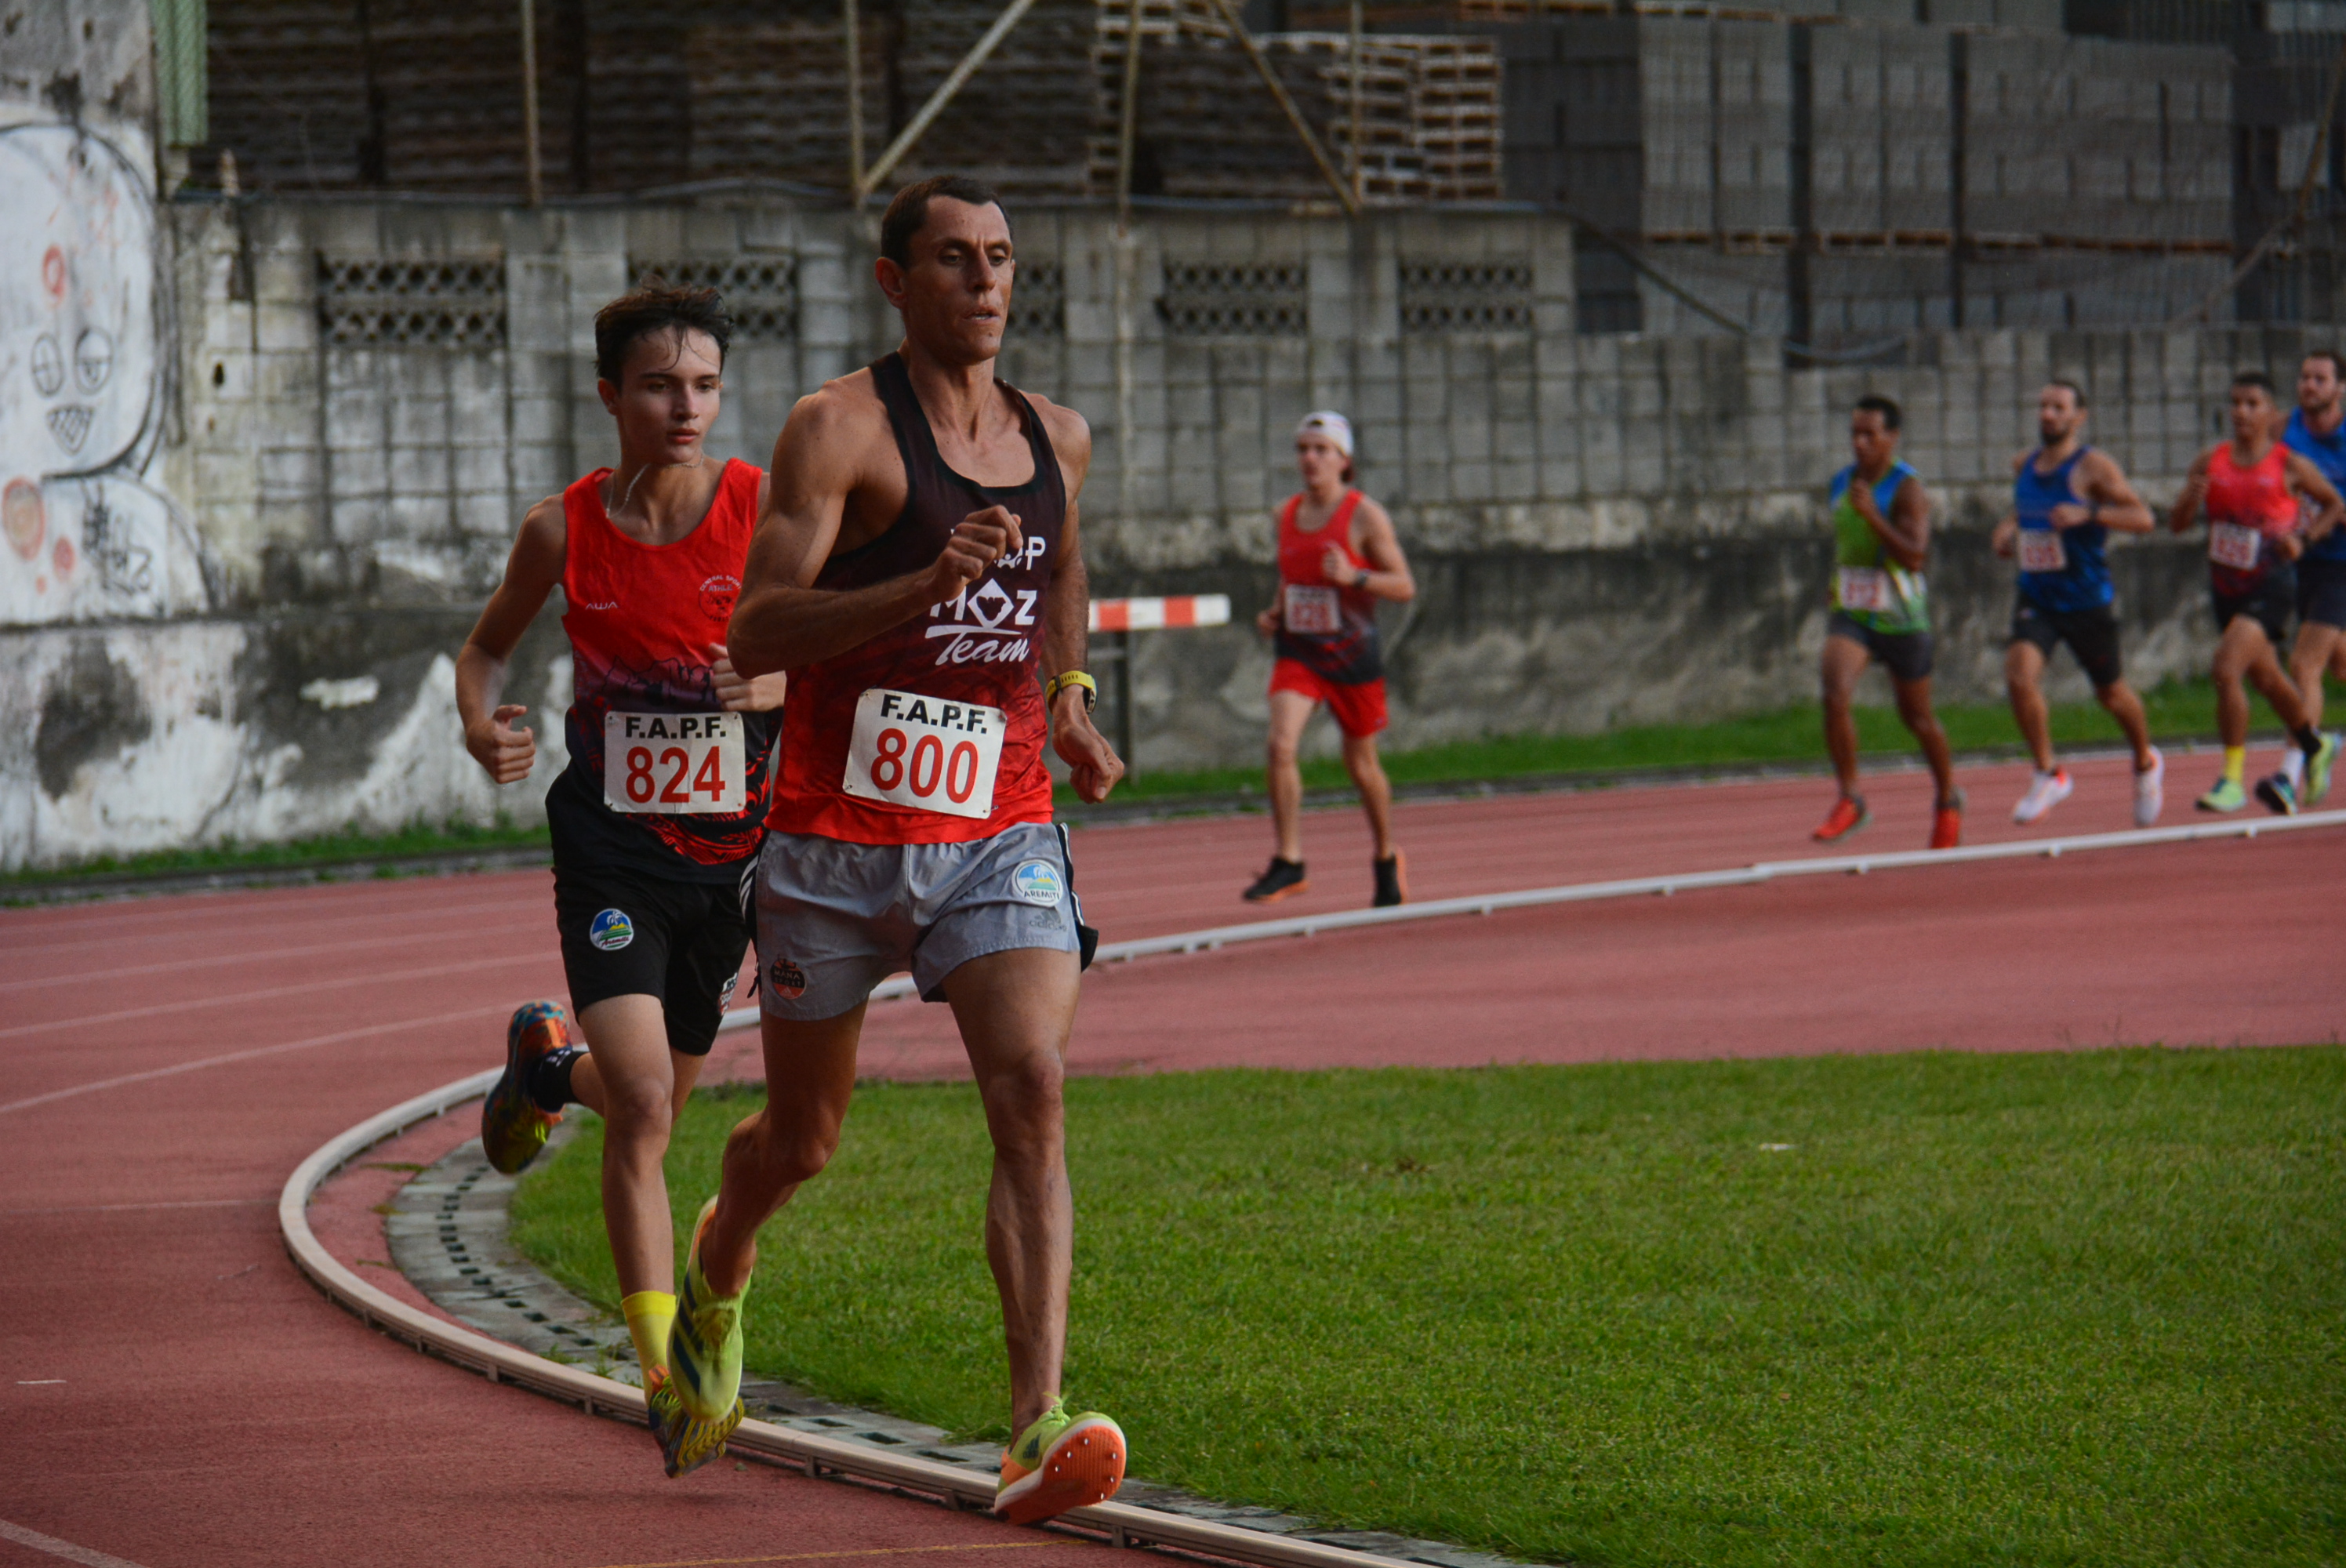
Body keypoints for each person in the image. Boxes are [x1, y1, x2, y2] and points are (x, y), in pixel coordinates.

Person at [667, 176, 1129, 1526]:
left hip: (996, 825)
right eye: (954, 259)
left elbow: (1060, 573)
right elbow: (757, 630)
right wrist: (922, 585)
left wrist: (1073, 700)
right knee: (802, 1142)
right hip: (831, 843)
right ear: (894, 280)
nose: (985, 282)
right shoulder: (839, 429)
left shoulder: (1058, 437)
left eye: (1000, 258)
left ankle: (1034, 1427)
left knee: (1031, 1083)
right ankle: (721, 1259)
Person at [454, 281, 786, 1479]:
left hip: (727, 861)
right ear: (610, 396)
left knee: (652, 1099)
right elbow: (486, 647)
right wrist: (479, 721)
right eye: (658, 386)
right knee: (644, 1109)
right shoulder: (563, 530)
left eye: (704, 386)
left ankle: (545, 1067)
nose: (684, 407)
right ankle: (662, 1379)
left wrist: (776, 684)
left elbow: (837, 647)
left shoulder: (762, 507)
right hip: (610, 847)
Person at [1243, 411, 1417, 907]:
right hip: (1299, 652)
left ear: (1344, 460)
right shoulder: (1285, 514)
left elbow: (1404, 586)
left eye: (1321, 450)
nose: (1310, 458)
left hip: (1352, 657)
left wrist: (1355, 577)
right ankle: (1290, 861)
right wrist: (1276, 613)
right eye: (1303, 449)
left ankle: (1386, 856)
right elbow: (1292, 577)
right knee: (1280, 745)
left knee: (1361, 765)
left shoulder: (1365, 515)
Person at [2167, 370, 2342, 813]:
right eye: (2235, 403)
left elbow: (2334, 504)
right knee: (2266, 679)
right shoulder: (2211, 460)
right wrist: (2190, 498)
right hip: (2227, 586)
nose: (2241, 412)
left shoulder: (2289, 464)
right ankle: (2315, 744)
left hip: (2272, 585)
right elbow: (2177, 525)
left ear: (2270, 413)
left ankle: (2231, 780)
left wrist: (2304, 539)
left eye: (2251, 404)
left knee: (2226, 669)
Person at [1992, 380, 2166, 826]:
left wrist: (2088, 514)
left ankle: (2145, 763)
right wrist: (2008, 530)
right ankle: (2048, 773)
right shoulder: (2024, 464)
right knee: (2019, 674)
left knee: (2111, 693)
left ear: (2079, 417)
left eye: (2059, 407)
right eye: (2043, 406)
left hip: (2086, 600)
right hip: (2038, 596)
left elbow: (2143, 518)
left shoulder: (2094, 468)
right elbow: (2024, 509)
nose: (2048, 414)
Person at [1811, 394, 1963, 849]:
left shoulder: (1906, 488)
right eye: (1854, 434)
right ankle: (1851, 798)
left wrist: (1874, 517)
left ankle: (1948, 798)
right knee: (1834, 693)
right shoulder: (1841, 483)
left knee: (1917, 717)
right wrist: (1837, 583)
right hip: (1854, 613)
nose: (1859, 443)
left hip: (1901, 619)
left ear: (1891, 438)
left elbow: (1915, 557)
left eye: (1870, 435)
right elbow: (1847, 544)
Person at [2277, 350, 2346, 800]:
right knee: (2340, 665)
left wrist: (2329, 518)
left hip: (2341, 563)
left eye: (2320, 379)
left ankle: (2292, 769)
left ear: (2340, 388)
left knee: (2304, 665)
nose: (2309, 385)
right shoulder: (2283, 429)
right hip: (2302, 563)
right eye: (2304, 377)